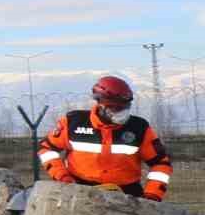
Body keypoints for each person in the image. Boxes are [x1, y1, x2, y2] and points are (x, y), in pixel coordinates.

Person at [39, 76, 172, 201]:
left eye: (125, 107)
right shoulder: (73, 123)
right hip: (79, 192)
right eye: (116, 108)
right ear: (101, 104)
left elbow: (161, 164)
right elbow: (46, 149)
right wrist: (62, 176)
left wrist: (152, 195)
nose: (121, 112)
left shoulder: (139, 128)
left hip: (127, 195)